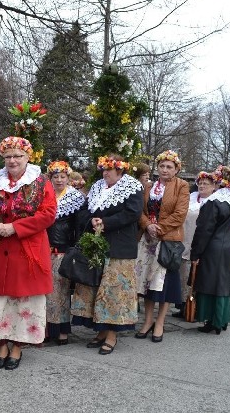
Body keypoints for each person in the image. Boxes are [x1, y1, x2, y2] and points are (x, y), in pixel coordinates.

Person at [0, 136, 56, 370]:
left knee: (24, 300)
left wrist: (16, 227)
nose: (13, 160)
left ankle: (18, 346)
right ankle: (1, 344)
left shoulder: (41, 182)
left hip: (27, 250)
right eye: (8, 156)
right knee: (0, 299)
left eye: (18, 156)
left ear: (28, 157)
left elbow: (48, 214)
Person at [71, 154, 143, 354]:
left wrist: (106, 223)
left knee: (114, 292)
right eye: (103, 169)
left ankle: (112, 334)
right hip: (97, 245)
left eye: (108, 170)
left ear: (120, 170)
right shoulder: (97, 187)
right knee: (96, 290)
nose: (104, 173)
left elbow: (133, 213)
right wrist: (93, 220)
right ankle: (101, 331)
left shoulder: (133, 187)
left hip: (119, 247)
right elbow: (84, 210)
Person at [134, 150, 189, 342]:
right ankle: (148, 321)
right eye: (162, 166)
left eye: (169, 167)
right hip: (148, 240)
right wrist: (147, 225)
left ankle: (160, 322)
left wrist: (159, 228)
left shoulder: (182, 186)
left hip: (167, 241)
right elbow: (140, 211)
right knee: (148, 283)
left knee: (163, 285)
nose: (165, 170)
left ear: (176, 170)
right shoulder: (148, 186)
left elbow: (180, 214)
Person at [190, 166, 230, 334]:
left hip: (213, 249)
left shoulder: (214, 201)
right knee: (224, 285)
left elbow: (204, 230)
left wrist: (196, 253)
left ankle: (213, 321)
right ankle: (222, 319)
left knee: (210, 285)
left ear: (217, 182)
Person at [45, 160, 85, 345]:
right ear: (50, 178)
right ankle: (45, 328)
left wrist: (75, 248)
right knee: (44, 291)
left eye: (63, 176)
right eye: (56, 176)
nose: (59, 180)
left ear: (68, 178)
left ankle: (62, 330)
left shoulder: (75, 198)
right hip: (44, 248)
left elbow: (78, 226)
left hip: (63, 249)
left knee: (60, 291)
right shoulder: (45, 195)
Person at [173, 171, 215, 318]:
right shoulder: (190, 198)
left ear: (213, 186)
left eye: (206, 184)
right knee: (184, 276)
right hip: (184, 241)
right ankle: (184, 306)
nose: (202, 186)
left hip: (201, 244)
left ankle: (197, 308)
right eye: (200, 183)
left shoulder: (213, 201)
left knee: (197, 276)